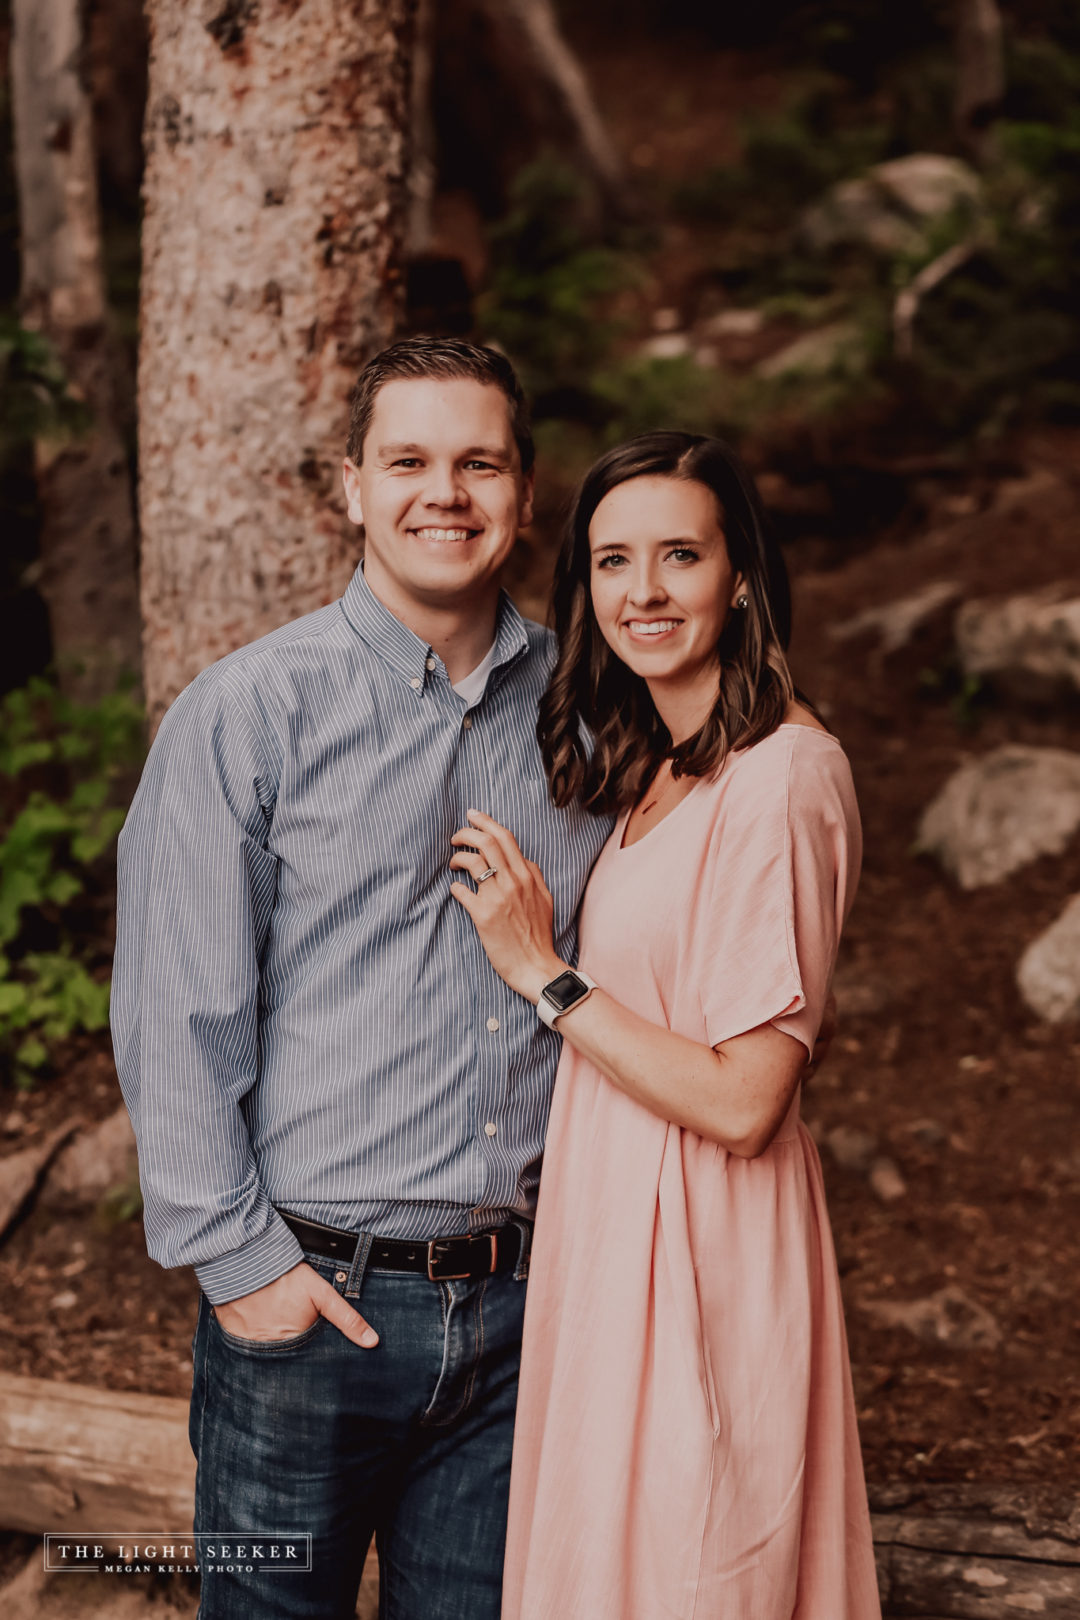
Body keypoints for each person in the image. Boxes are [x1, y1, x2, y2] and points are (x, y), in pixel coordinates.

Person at [110, 337, 615, 1620]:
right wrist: (243, 1271)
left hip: (527, 1313)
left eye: (479, 463)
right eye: (408, 462)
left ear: (525, 492)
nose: (445, 492)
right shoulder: (248, 713)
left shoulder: (592, 711)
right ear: (352, 486)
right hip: (312, 1307)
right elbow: (177, 1014)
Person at [449, 432, 882, 1619]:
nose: (643, 591)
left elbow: (748, 1101)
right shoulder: (656, 764)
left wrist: (546, 976)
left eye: (680, 555)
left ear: (740, 577)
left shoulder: (782, 776)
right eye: (612, 561)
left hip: (706, 1242)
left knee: (691, 1567)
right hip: (613, 1228)